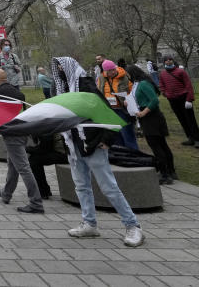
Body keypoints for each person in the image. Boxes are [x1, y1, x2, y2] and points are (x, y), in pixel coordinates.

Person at [51, 56, 144, 247]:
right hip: (74, 144)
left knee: (108, 186)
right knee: (81, 186)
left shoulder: (85, 85)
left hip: (92, 142)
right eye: (57, 67)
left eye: (62, 66)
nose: (59, 70)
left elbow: (104, 110)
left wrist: (107, 139)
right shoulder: (63, 87)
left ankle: (132, 225)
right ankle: (89, 223)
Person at [0, 69, 44, 213]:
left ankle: (36, 202)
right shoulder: (18, 93)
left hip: (11, 133)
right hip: (22, 131)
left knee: (23, 167)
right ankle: (6, 193)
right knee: (13, 164)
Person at [128, 65, 176, 184]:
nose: (126, 76)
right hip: (147, 117)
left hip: (152, 117)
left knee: (157, 145)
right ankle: (170, 171)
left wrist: (144, 112)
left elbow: (154, 100)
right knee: (161, 144)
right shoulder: (137, 84)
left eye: (127, 74)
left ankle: (165, 173)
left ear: (133, 73)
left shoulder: (143, 84)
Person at [158, 56, 199, 149]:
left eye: (170, 60)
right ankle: (190, 138)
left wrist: (189, 99)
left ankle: (197, 140)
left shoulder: (180, 71)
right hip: (172, 99)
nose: (168, 61)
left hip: (183, 98)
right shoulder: (162, 74)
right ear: (164, 62)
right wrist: (165, 93)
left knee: (190, 119)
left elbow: (188, 85)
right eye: (166, 60)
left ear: (173, 61)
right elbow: (161, 84)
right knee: (181, 119)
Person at [97, 60, 137, 150]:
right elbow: (99, 91)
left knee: (127, 133)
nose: (113, 72)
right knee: (115, 134)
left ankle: (134, 153)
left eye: (113, 69)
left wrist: (129, 101)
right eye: (110, 70)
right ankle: (121, 152)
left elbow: (133, 92)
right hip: (110, 110)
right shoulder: (101, 78)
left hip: (122, 110)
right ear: (105, 71)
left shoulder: (124, 77)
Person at [26, 133, 67, 199]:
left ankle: (43, 191)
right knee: (35, 159)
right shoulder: (46, 126)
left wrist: (28, 149)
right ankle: (44, 190)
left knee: (34, 161)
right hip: (62, 153)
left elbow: (45, 149)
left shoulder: (47, 127)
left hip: (65, 155)